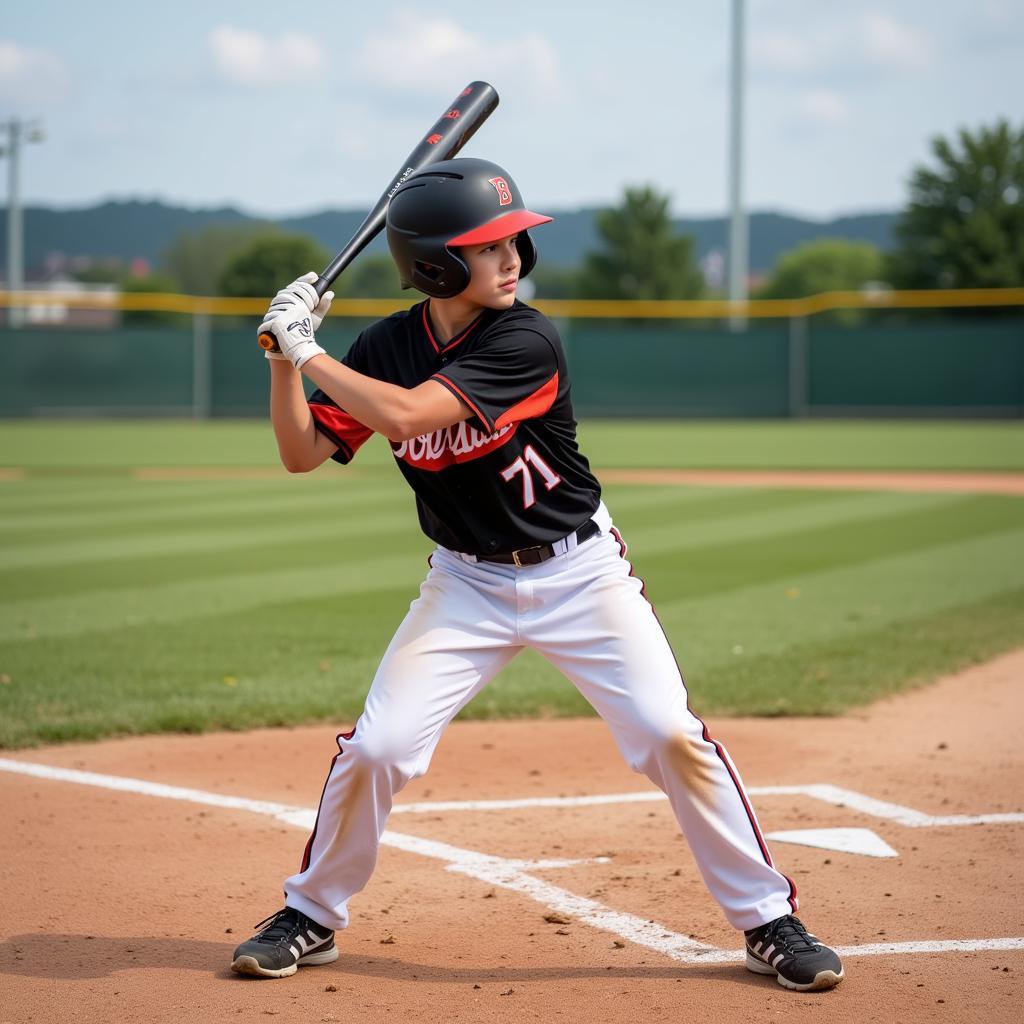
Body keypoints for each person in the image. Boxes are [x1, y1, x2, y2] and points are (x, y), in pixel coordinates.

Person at [230, 158, 844, 992]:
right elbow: (302, 453)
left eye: (517, 239)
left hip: (581, 576)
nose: (514, 255)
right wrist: (280, 360)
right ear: (437, 265)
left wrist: (308, 348)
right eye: (489, 246)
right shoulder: (386, 346)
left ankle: (768, 918)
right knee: (377, 748)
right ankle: (311, 913)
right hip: (466, 584)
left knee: (671, 735)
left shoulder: (527, 338)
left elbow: (409, 414)